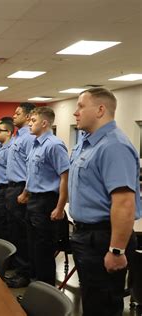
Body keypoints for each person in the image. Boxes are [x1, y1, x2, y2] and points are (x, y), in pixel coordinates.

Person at [69, 88, 141, 315]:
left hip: (103, 238)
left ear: (100, 110)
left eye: (81, 106)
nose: (75, 112)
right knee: (92, 300)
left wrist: (117, 250)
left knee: (103, 305)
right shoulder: (90, 143)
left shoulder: (114, 145)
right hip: (87, 236)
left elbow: (124, 203)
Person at [17, 106, 69, 286]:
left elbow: (65, 177)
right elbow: (33, 174)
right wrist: (25, 192)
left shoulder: (54, 145)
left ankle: (47, 294)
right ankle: (36, 289)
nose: (29, 124)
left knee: (43, 251)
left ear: (44, 123)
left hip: (47, 202)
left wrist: (60, 207)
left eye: (33, 121)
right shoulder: (35, 144)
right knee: (32, 249)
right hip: (33, 201)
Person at [4, 102, 36, 288]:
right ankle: (18, 267)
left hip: (21, 188)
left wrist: (26, 191)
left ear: (28, 115)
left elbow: (32, 168)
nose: (14, 116)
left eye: (17, 113)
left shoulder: (29, 138)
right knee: (14, 231)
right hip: (12, 187)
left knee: (22, 234)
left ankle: (24, 272)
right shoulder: (18, 137)